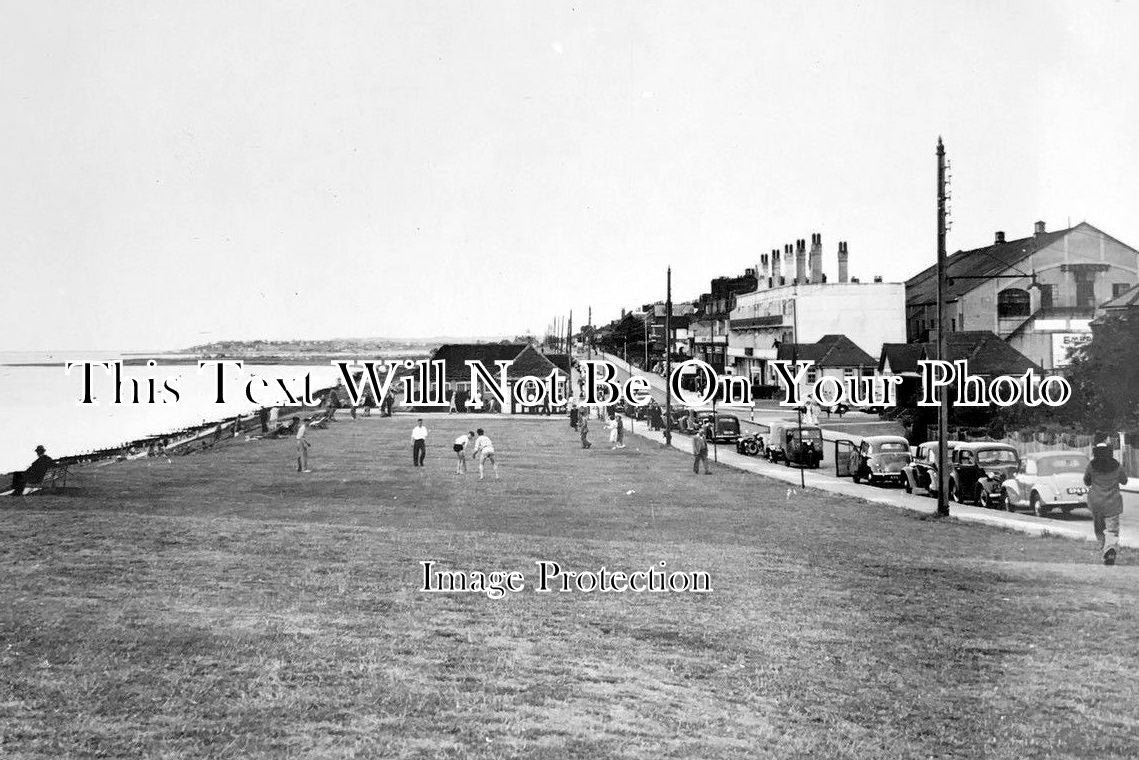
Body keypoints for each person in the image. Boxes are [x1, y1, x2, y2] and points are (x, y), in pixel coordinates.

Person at [1084, 441, 1129, 565]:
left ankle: (1104, 547)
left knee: (1099, 529)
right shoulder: (1117, 466)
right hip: (1112, 503)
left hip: (1096, 503)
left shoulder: (1091, 466)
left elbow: (1086, 481)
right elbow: (1124, 481)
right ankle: (1109, 549)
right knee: (1112, 530)